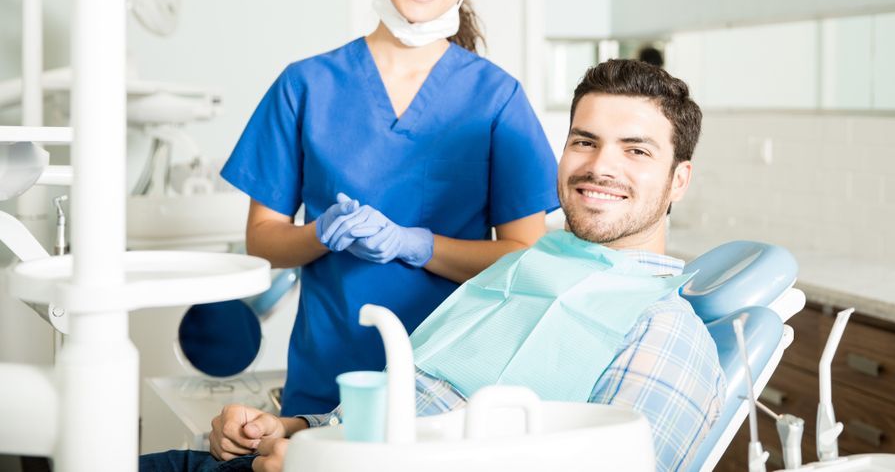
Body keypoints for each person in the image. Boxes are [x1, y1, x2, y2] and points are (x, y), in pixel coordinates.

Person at [142, 59, 726, 472]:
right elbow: (415, 404)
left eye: (636, 150)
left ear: (680, 179)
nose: (600, 166)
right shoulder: (523, 268)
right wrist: (296, 432)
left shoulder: (665, 333)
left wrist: (337, 467)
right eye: (584, 141)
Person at [218, 0, 559, 417]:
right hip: (329, 376)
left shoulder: (496, 98)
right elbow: (263, 240)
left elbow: (525, 258)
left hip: (451, 386)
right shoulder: (306, 85)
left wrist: (417, 244)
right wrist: (321, 233)